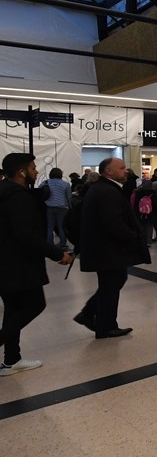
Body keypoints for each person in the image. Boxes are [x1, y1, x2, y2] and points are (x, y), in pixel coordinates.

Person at [0, 153, 73, 375]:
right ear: (21, 172)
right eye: (32, 168)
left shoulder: (3, 191)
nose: (35, 171)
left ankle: (12, 359)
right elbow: (26, 235)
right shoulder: (18, 197)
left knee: (13, 309)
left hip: (5, 262)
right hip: (17, 264)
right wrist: (57, 254)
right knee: (34, 304)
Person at [75, 158, 150, 338]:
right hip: (108, 250)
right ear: (108, 171)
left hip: (105, 249)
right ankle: (105, 325)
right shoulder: (107, 191)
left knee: (113, 282)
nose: (126, 171)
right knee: (111, 284)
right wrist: (132, 236)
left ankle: (93, 316)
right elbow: (113, 222)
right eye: (122, 168)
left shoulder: (103, 189)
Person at [43, 167, 72, 248]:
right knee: (61, 226)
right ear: (61, 174)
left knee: (50, 226)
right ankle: (62, 243)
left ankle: (49, 244)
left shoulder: (45, 183)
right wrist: (70, 208)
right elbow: (69, 197)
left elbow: (41, 193)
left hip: (49, 207)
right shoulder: (66, 184)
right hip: (62, 208)